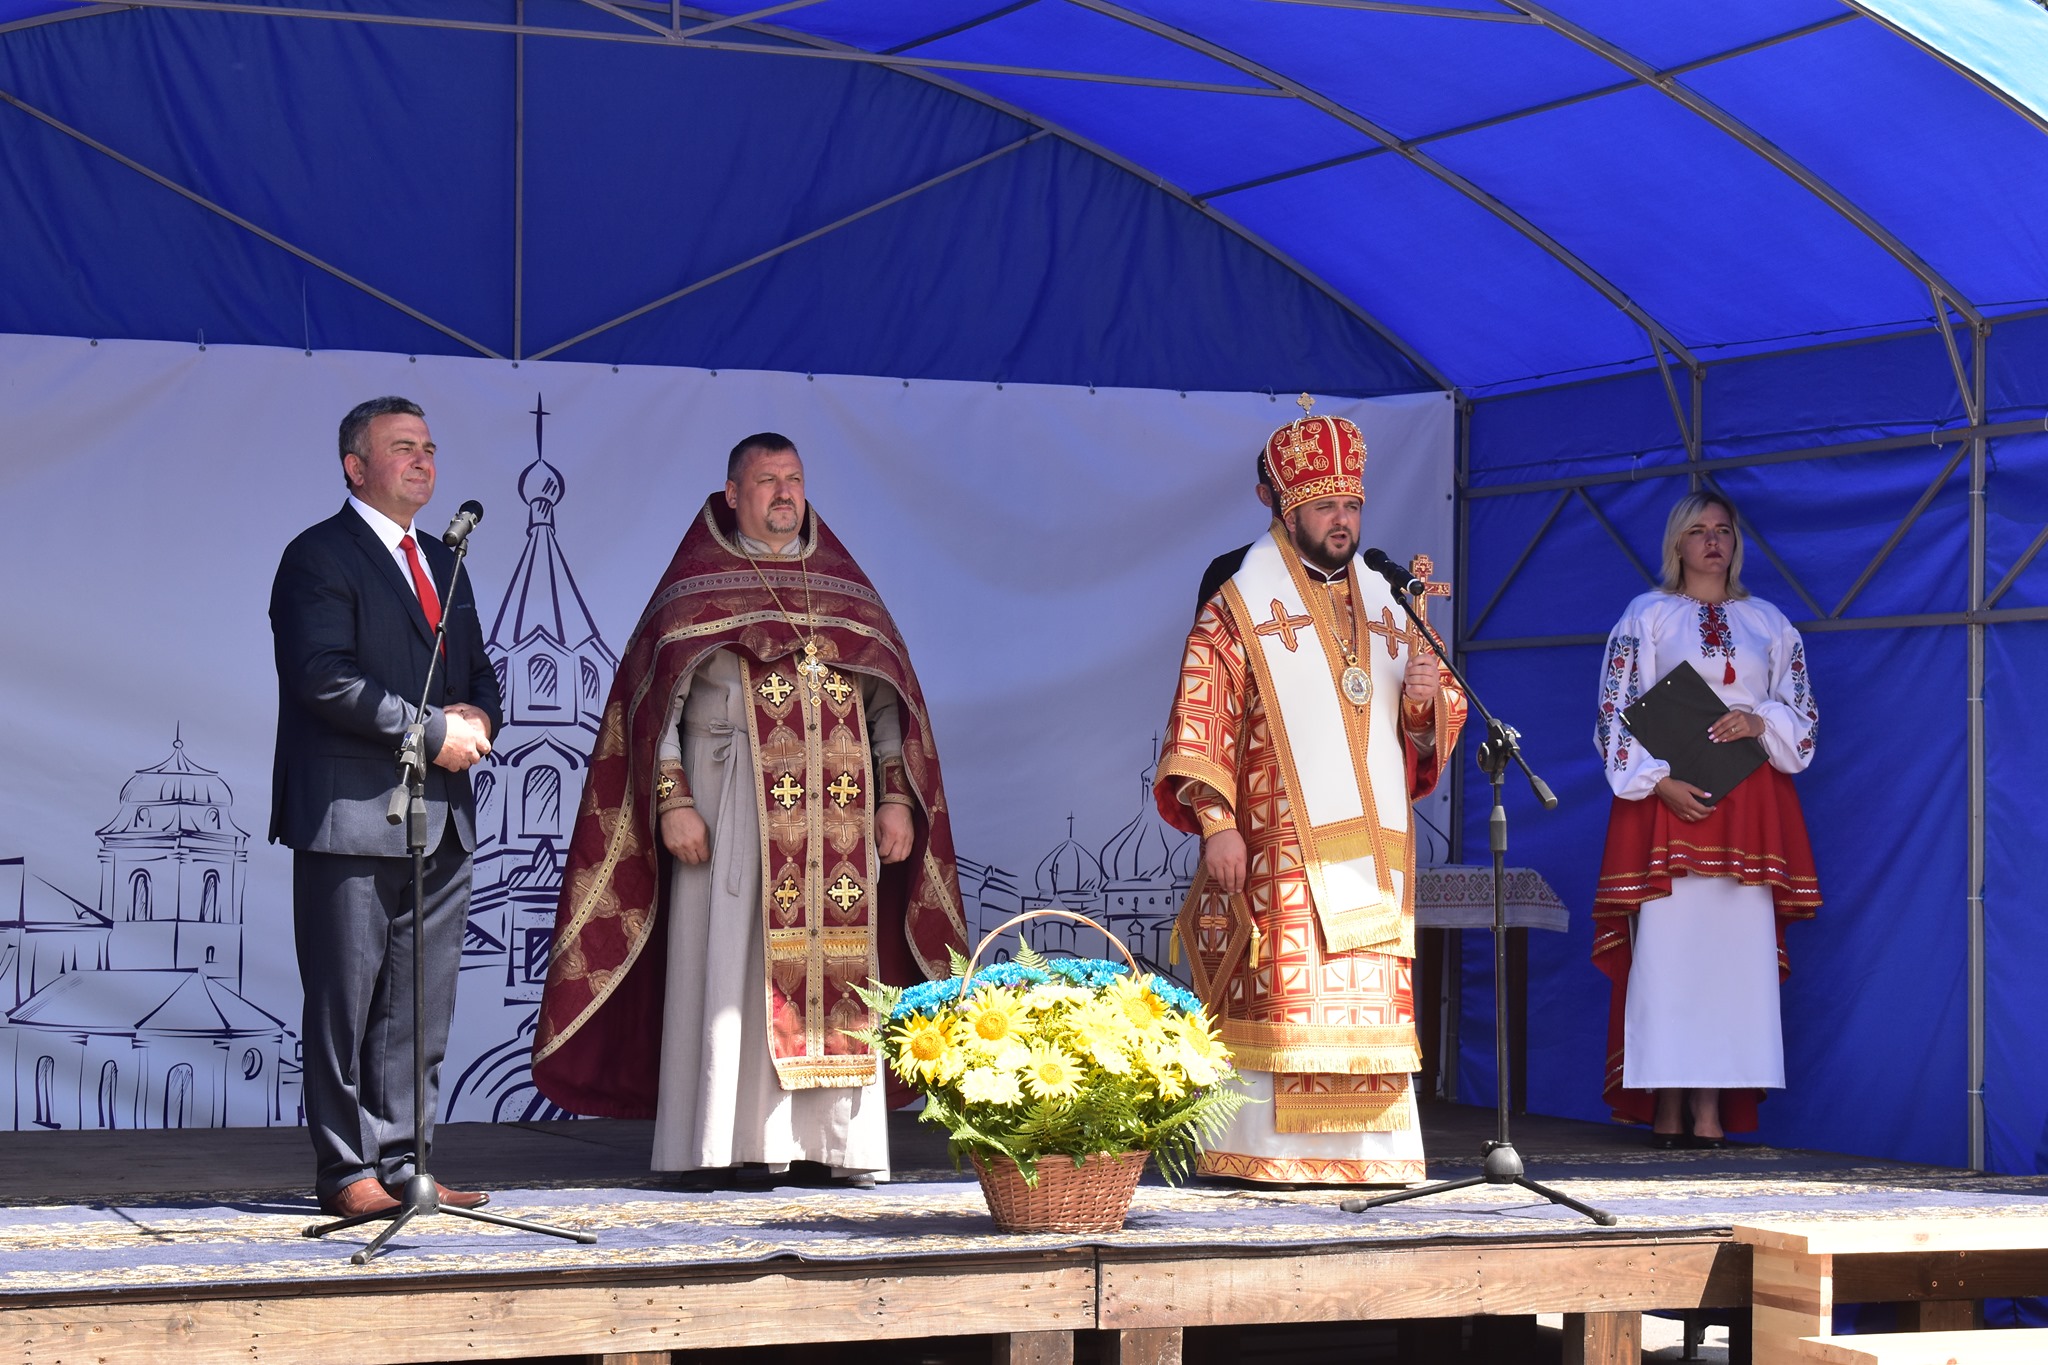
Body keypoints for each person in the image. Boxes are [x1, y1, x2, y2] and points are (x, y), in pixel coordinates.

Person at [533, 433, 966, 1187]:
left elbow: (887, 705)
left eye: (793, 477)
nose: (784, 492)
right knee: (733, 973)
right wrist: (673, 801)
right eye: (767, 480)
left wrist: (897, 796)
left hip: (839, 817)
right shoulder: (694, 586)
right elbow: (650, 712)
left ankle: (832, 1146)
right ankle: (727, 1143)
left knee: (840, 981)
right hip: (730, 800)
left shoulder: (845, 590)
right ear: (732, 493)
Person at [1155, 399, 1467, 1186]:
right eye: (1325, 506)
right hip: (1282, 853)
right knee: (1290, 1000)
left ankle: (1371, 1160)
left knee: (1369, 999)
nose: (1342, 520)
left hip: (1376, 860)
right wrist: (1217, 822)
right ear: (1288, 509)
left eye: (1351, 504)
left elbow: (1428, 726)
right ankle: (1268, 1157)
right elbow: (1204, 714)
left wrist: (1425, 700)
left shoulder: (1390, 599)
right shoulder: (1238, 602)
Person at [270, 396, 500, 1219]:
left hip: (440, 818)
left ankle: (407, 1163)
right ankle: (345, 1169)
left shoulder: (444, 558)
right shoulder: (317, 555)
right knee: (345, 1003)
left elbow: (479, 674)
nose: (423, 460)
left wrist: (478, 719)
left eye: (429, 447)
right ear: (355, 466)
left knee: (417, 1010)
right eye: (403, 447)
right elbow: (323, 675)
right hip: (349, 814)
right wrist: (431, 730)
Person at [1591, 490, 1821, 1147]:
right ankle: (1666, 1106)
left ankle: (1712, 1110)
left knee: (1735, 959)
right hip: (1671, 801)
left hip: (1747, 803)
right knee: (1668, 954)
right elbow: (1613, 712)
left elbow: (1802, 719)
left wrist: (1758, 720)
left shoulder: (1769, 622)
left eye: (1723, 530)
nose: (1713, 541)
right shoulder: (1647, 615)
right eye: (1698, 531)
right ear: (1678, 543)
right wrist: (1659, 783)